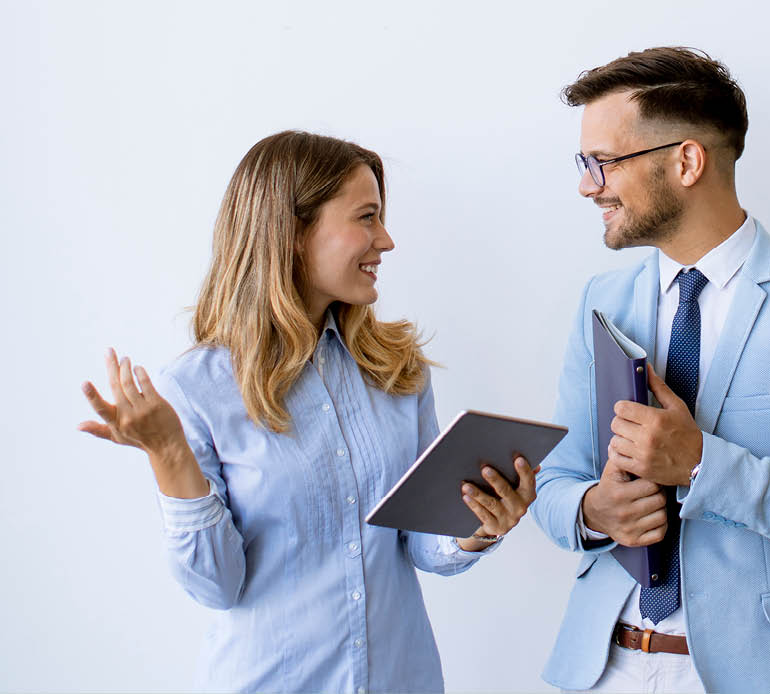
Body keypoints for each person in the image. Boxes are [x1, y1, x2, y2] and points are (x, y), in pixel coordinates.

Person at [78, 131, 537, 693]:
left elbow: (420, 544)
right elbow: (216, 587)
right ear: (294, 234)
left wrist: (475, 527)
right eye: (366, 217)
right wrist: (168, 452)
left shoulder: (396, 369)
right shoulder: (195, 390)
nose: (386, 240)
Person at [531, 47, 770, 693]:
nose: (588, 186)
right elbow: (557, 478)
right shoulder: (601, 300)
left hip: (752, 676)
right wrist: (593, 508)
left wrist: (701, 464)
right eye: (583, 164)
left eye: (603, 162)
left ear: (686, 160)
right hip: (601, 667)